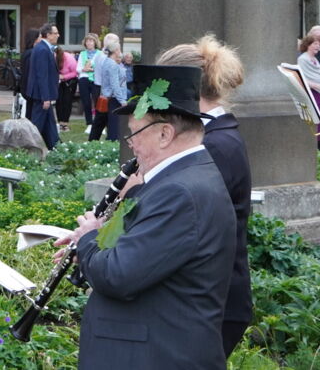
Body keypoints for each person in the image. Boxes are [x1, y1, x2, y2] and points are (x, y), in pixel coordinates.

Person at [62, 63, 235, 369]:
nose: (131, 145)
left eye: (135, 134)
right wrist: (98, 238)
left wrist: (88, 238)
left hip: (155, 356)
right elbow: (143, 256)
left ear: (165, 134)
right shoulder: (181, 180)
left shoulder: (180, 192)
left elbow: (118, 275)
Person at [157, 36, 252, 357]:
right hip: (207, 298)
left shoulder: (216, 145)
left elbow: (183, 223)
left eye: (163, 90)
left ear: (185, 89)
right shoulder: (210, 137)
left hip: (217, 303)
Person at [25, 24, 62, 149]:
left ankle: (56, 148)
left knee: (50, 124)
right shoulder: (42, 49)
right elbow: (42, 75)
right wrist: (45, 97)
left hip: (43, 94)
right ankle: (28, 149)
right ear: (48, 35)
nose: (58, 35)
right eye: (55, 33)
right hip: (41, 95)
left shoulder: (44, 48)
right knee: (37, 125)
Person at [296, 34, 320, 151]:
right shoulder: (303, 59)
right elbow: (301, 79)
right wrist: (318, 86)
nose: (318, 46)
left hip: (319, 96)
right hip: (311, 95)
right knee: (315, 122)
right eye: (315, 43)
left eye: (319, 43)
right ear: (308, 45)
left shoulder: (315, 59)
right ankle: (316, 148)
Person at [90, 43, 127, 141]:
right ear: (115, 51)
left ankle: (92, 142)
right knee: (113, 125)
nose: (120, 51)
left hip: (105, 96)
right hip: (113, 99)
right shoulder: (112, 65)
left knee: (99, 123)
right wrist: (122, 100)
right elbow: (115, 85)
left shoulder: (106, 62)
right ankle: (112, 143)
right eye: (119, 49)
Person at [76, 33, 101, 124]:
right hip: (84, 79)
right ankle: (89, 122)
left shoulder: (100, 54)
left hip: (95, 79)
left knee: (97, 101)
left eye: (91, 41)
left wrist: (93, 69)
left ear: (95, 42)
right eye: (87, 41)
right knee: (86, 102)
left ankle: (99, 122)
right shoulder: (82, 54)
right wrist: (84, 69)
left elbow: (101, 68)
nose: (89, 43)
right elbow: (78, 69)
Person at [57, 46, 78, 130]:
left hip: (70, 82)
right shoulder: (53, 58)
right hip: (59, 81)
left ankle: (65, 123)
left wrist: (64, 76)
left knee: (67, 101)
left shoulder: (69, 59)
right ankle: (60, 122)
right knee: (58, 101)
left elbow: (75, 72)